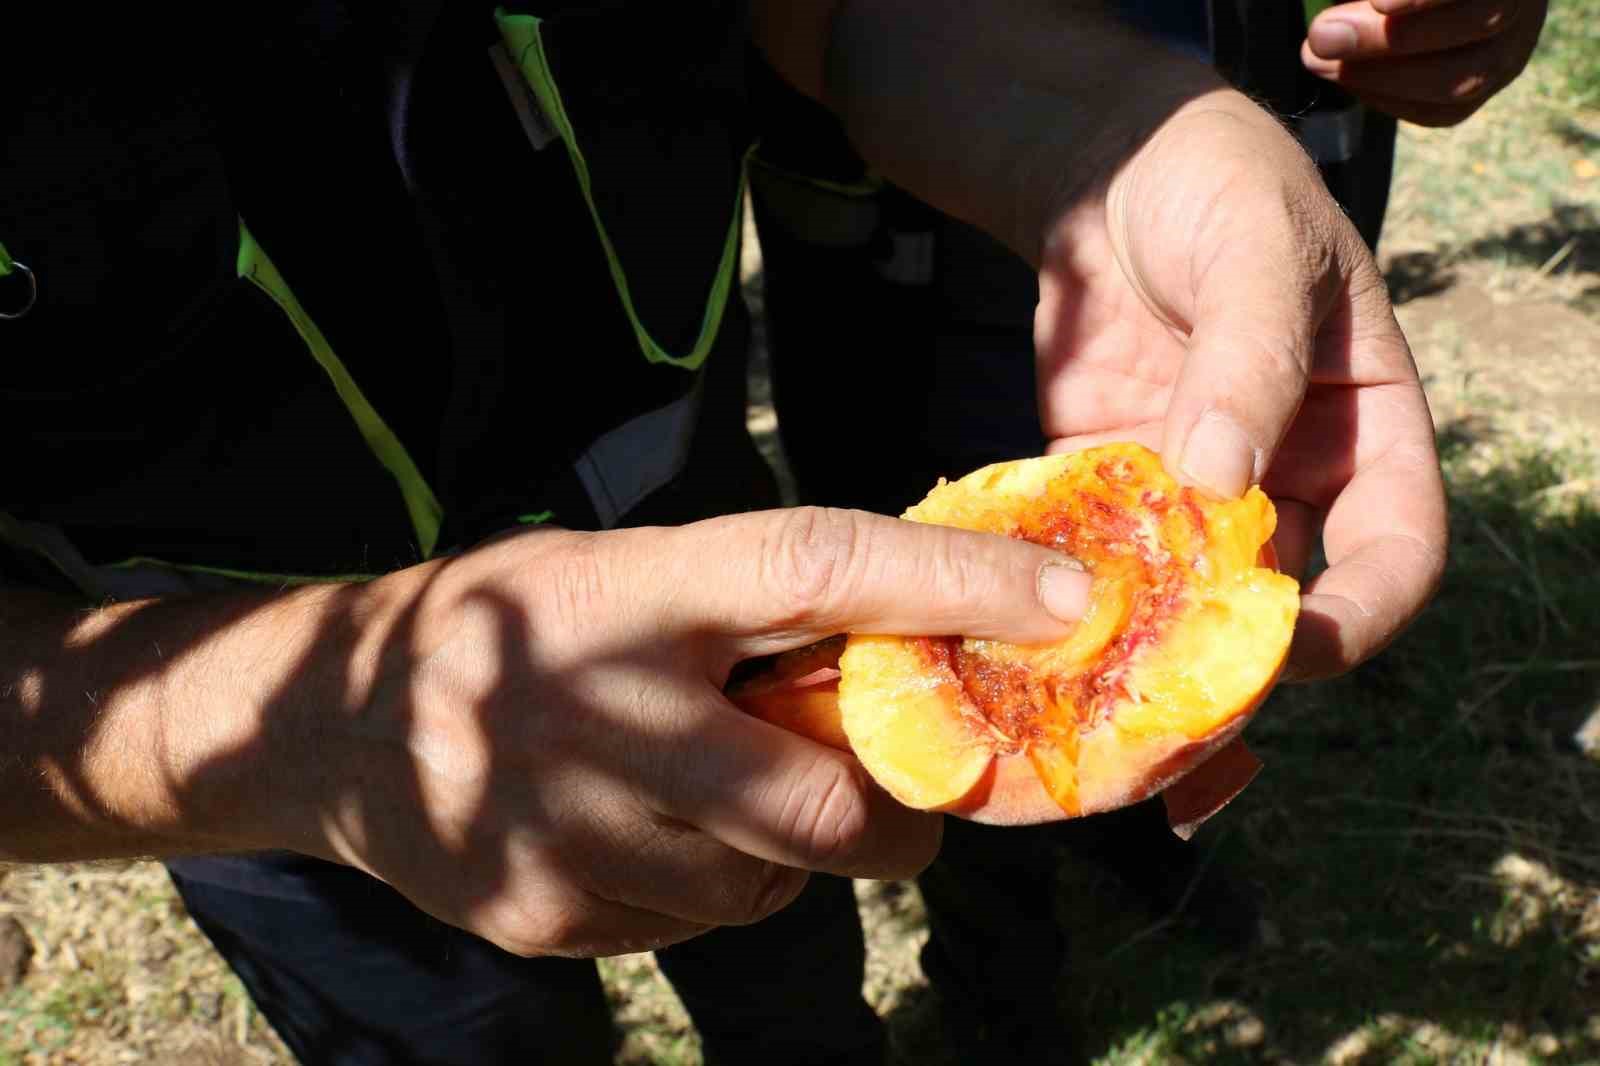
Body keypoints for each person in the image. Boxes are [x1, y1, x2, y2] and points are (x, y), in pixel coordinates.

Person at [1, 2, 1451, 1063]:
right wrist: (285, 722)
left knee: (795, 992)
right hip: (247, 766)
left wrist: (1111, 123)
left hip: (736, 610)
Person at [751, 0, 1547, 1059]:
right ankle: (999, 984)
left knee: (1124, 717)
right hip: (908, 246)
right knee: (909, 663)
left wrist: (1134, 135)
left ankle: (1138, 861)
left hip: (1177, 184)